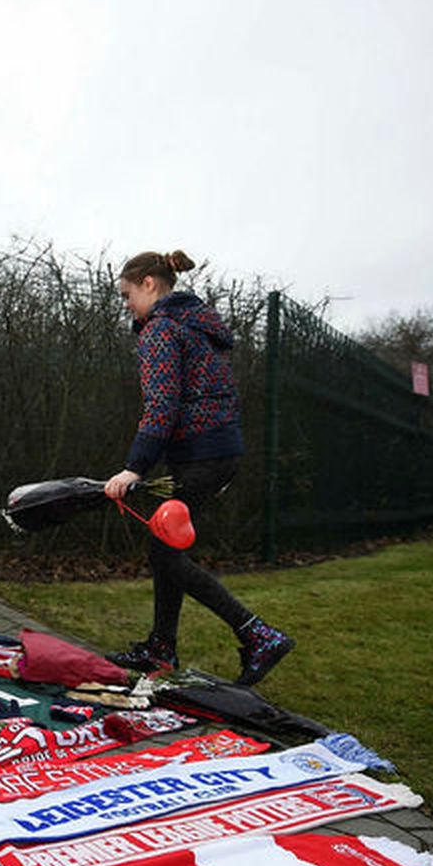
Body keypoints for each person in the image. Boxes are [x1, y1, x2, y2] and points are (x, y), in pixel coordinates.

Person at [103, 250, 295, 686]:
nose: (126, 303)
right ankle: (161, 647)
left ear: (149, 284)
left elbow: (162, 404)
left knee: (163, 551)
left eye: (127, 294)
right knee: (166, 545)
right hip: (218, 451)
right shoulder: (198, 326)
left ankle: (258, 634)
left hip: (199, 455)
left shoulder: (162, 330)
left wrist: (134, 468)